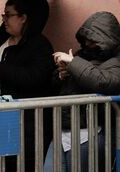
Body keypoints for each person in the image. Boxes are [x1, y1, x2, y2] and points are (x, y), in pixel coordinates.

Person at [0, 0, 56, 171]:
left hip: (27, 125)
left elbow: (34, 78)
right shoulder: (2, 42)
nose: (4, 20)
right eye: (4, 15)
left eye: (9, 15)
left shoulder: (39, 45)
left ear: (23, 18)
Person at [44, 12, 120, 171]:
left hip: (89, 133)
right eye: (85, 37)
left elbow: (103, 81)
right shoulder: (81, 55)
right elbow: (54, 85)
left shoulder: (115, 61)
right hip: (62, 130)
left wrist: (72, 63)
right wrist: (60, 74)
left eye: (92, 39)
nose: (86, 42)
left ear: (106, 39)